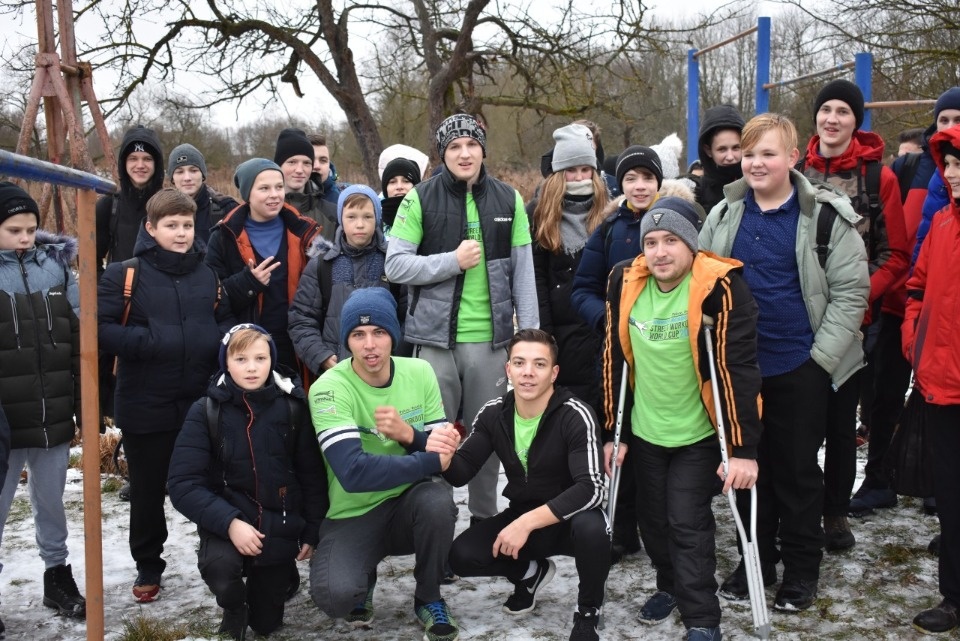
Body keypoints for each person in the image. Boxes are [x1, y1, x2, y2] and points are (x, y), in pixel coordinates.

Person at [699, 113, 869, 612]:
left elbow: (850, 294)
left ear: (793, 158)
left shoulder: (826, 218)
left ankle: (799, 570)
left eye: (767, 153)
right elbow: (703, 285)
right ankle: (755, 558)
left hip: (801, 365)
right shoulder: (725, 215)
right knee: (747, 470)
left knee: (795, 474)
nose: (755, 163)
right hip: (741, 369)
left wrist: (819, 361)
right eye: (749, 153)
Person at [603, 196, 762, 640]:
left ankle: (702, 619)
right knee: (653, 522)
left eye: (671, 240)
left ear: (691, 244)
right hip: (647, 431)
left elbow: (736, 370)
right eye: (651, 242)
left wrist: (742, 447)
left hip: (698, 434)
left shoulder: (718, 286)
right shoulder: (624, 281)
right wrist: (610, 429)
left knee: (685, 522)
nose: (659, 252)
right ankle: (669, 585)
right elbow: (613, 358)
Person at [385, 113, 539, 524]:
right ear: (443, 153)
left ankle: (484, 525)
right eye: (454, 146)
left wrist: (528, 339)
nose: (465, 153)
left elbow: (524, 276)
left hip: (490, 344)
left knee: (484, 440)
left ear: (483, 149)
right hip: (433, 345)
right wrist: (451, 261)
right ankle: (433, 528)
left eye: (472, 144)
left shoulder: (509, 199)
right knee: (432, 441)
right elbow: (396, 265)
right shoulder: (419, 198)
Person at [99, 188, 235, 602]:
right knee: (147, 489)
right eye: (171, 225)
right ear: (151, 228)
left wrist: (219, 343)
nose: (181, 233)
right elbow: (100, 328)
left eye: (187, 225)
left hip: (199, 402)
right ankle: (148, 564)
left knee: (211, 484)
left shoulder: (208, 275)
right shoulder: (125, 274)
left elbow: (226, 323)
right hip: (145, 401)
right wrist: (150, 340)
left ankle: (218, 558)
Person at [428, 329, 609, 641]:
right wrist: (444, 456)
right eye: (520, 363)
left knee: (593, 529)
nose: (528, 373)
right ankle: (530, 574)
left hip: (569, 519)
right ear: (507, 369)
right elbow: (461, 473)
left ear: (554, 373)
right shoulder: (494, 413)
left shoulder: (575, 414)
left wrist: (525, 523)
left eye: (539, 364)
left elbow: (591, 488)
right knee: (461, 555)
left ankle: (588, 610)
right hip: (524, 515)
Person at [308, 288, 459, 641]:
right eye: (358, 335)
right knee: (336, 598)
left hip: (408, 505)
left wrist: (409, 435)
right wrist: (428, 456)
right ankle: (364, 577)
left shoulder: (420, 371)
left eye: (379, 332)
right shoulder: (329, 388)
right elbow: (354, 473)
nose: (370, 345)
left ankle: (429, 596)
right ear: (347, 341)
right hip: (353, 512)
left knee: (438, 500)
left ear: (394, 334)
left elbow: (442, 458)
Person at [800, 79, 909, 551]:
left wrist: (862, 300)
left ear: (855, 120)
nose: (833, 119)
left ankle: (835, 513)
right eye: (826, 110)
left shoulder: (876, 177)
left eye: (843, 111)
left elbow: (896, 254)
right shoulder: (794, 169)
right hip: (796, 317)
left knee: (841, 428)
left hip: (850, 322)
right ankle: (798, 508)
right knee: (797, 426)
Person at [168, 324, 327, 640]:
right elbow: (182, 483)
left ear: (272, 359)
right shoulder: (206, 411)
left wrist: (312, 529)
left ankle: (279, 576)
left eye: (260, 357)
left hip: (278, 523)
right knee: (223, 573)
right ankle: (233, 606)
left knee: (266, 625)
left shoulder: (294, 407)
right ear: (225, 361)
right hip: (227, 520)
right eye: (241, 359)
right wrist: (229, 523)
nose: (252, 367)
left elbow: (312, 475)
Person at [851, 86, 960, 519]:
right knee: (884, 395)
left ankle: (938, 488)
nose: (951, 127)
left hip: (940, 312)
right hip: (905, 303)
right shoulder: (913, 167)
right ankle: (880, 477)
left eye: (958, 119)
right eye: (945, 119)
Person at [570, 144, 663, 562]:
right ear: (619, 185)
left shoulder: (678, 221)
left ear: (659, 182)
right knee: (618, 436)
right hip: (619, 353)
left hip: (666, 351)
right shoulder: (608, 229)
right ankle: (622, 530)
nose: (639, 186)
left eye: (647, 177)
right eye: (630, 179)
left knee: (657, 443)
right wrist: (607, 321)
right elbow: (583, 289)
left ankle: (662, 527)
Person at [0, 182, 85, 622]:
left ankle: (57, 576)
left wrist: (84, 401)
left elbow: (78, 336)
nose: (25, 238)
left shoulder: (56, 269)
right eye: (14, 229)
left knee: (51, 502)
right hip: (4, 421)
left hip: (51, 410)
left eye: (31, 228)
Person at [903, 124, 960, 635]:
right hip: (941, 385)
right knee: (952, 497)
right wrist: (912, 333)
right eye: (949, 164)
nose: (953, 173)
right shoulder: (941, 222)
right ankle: (954, 597)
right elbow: (917, 286)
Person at [205, 158, 321, 374]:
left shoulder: (304, 231)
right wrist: (248, 282)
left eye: (279, 187)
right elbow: (211, 295)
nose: (275, 195)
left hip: (296, 345)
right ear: (248, 193)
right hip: (248, 349)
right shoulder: (223, 237)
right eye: (264, 188)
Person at [529, 123, 610, 413]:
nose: (578, 178)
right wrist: (546, 338)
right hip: (560, 336)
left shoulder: (608, 213)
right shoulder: (539, 215)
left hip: (600, 332)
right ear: (558, 173)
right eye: (570, 170)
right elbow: (537, 280)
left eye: (585, 170)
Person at [288, 184, 402, 378]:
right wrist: (322, 356)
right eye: (351, 217)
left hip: (386, 371)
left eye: (367, 216)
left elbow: (408, 315)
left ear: (377, 219)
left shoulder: (392, 262)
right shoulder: (322, 266)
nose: (359, 224)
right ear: (341, 218)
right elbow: (301, 319)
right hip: (338, 372)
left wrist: (395, 352)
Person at [167, 143, 239, 244]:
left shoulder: (227, 208)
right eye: (180, 172)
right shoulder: (161, 211)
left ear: (203, 175)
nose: (187, 178)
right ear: (172, 178)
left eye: (193, 170)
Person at [273, 128, 337, 239]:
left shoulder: (333, 213)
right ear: (279, 165)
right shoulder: (262, 211)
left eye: (307, 163)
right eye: (292, 162)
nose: (299, 169)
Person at [696, 105, 745, 214]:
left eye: (736, 148)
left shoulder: (757, 185)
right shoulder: (697, 194)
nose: (730, 156)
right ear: (708, 150)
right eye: (722, 149)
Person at [379, 155, 422, 235]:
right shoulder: (374, 221)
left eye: (406, 181)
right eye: (392, 182)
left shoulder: (428, 218)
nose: (399, 187)